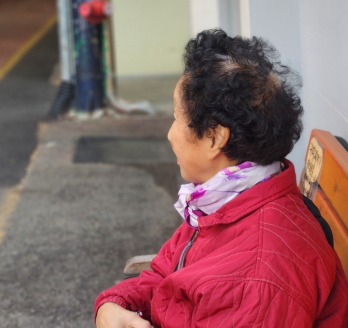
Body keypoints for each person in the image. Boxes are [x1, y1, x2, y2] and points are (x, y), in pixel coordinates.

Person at [95, 29, 348, 328]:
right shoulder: (232, 200)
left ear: (215, 136)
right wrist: (113, 308)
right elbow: (166, 271)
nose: (169, 134)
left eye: (177, 118)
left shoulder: (257, 277)